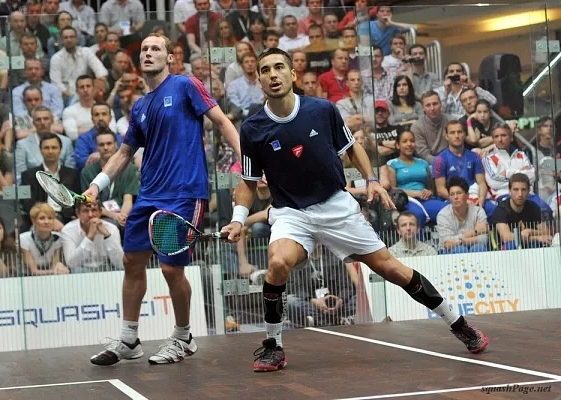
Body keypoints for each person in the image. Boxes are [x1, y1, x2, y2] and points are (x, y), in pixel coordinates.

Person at [221, 48, 489, 373]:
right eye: (266, 70)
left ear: (292, 75)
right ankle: (273, 345)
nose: (273, 74)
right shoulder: (253, 128)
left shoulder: (322, 110)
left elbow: (351, 147)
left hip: (336, 207)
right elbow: (248, 182)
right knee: (277, 263)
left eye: (279, 67)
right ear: (259, 80)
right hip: (291, 212)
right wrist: (238, 219)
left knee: (392, 270)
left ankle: (459, 324)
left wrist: (371, 179)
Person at [83, 32, 240, 366]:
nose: (148, 53)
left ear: (170, 57)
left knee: (170, 267)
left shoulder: (186, 85)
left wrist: (249, 163)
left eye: (156, 48)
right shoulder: (140, 106)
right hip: (148, 194)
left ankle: (183, 337)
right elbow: (124, 153)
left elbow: (221, 121)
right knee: (132, 261)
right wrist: (96, 184)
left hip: (183, 193)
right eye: (144, 49)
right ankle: (129, 339)